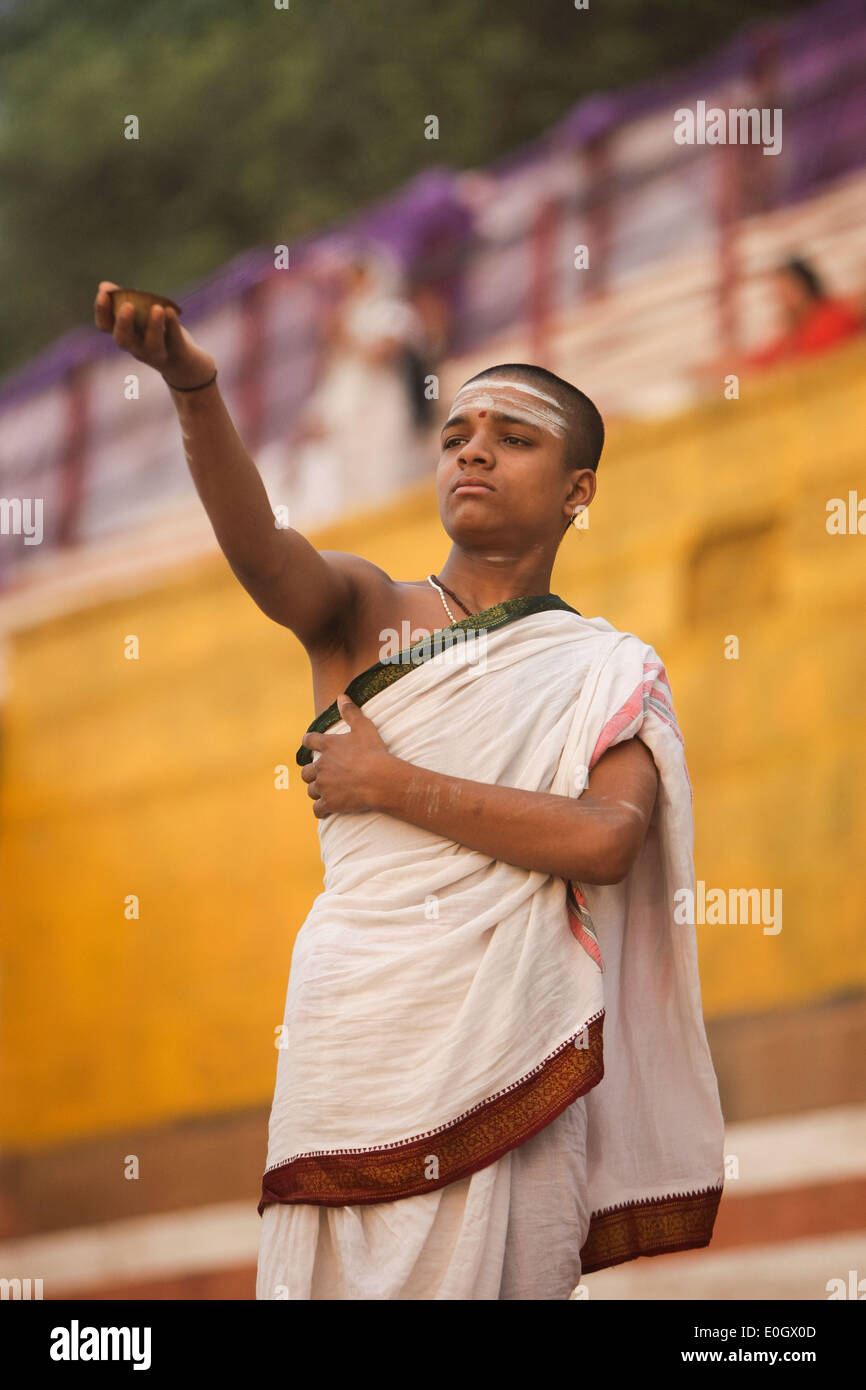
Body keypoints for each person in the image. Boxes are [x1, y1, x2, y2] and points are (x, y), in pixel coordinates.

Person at [94, 281, 726, 1299]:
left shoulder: (606, 668)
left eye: (513, 436)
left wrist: (389, 781)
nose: (471, 450)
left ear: (577, 491)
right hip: (353, 1031)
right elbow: (261, 553)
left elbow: (605, 839)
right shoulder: (360, 609)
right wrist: (193, 386)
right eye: (455, 433)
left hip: (509, 1042)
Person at [290, 248, 432, 520]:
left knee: (386, 480)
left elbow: (380, 354)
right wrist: (317, 411)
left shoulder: (392, 312)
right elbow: (335, 374)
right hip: (345, 417)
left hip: (383, 414)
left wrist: (344, 335)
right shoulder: (347, 317)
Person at [746, 256, 862, 368]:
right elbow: (770, 355)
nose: (784, 302)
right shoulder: (796, 331)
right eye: (780, 295)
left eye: (787, 292)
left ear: (805, 286)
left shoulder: (833, 318)